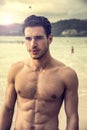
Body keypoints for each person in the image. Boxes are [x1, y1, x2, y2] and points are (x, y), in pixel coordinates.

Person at [0, 15, 79, 130]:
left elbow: (72, 117)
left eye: (38, 38)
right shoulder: (16, 70)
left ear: (50, 39)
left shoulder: (66, 75)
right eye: (28, 38)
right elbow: (7, 108)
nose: (33, 44)